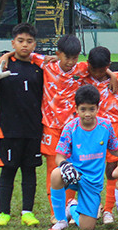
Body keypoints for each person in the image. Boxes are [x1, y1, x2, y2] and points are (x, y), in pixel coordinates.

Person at [0, 23, 45, 227]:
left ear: (35, 44)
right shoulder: (5, 66)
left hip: (34, 130)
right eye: (20, 41)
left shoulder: (39, 69)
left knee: (29, 171)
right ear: (13, 43)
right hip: (10, 130)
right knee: (8, 170)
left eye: (29, 41)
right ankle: (4, 213)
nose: (24, 45)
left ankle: (27, 212)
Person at [47, 85, 118, 230]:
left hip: (92, 181)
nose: (87, 114)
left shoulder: (106, 126)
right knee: (56, 174)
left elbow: (114, 149)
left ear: (97, 108)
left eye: (91, 109)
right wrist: (65, 165)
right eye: (83, 109)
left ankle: (72, 207)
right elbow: (59, 156)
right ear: (76, 109)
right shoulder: (70, 127)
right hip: (74, 174)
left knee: (87, 227)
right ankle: (60, 220)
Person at [37, 34, 89, 213]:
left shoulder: (81, 69)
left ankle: (70, 206)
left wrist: (111, 75)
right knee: (53, 167)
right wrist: (5, 56)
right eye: (67, 57)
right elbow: (25, 54)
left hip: (73, 128)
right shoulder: (47, 65)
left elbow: (100, 67)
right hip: (51, 127)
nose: (71, 62)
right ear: (58, 53)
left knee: (74, 166)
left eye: (75, 57)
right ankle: (55, 212)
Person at [82, 46, 118, 223]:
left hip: (112, 129)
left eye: (102, 70)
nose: (97, 74)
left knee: (111, 170)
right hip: (88, 130)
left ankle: (108, 209)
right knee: (88, 169)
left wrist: (112, 74)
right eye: (94, 70)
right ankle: (89, 206)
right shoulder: (82, 77)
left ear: (108, 65)